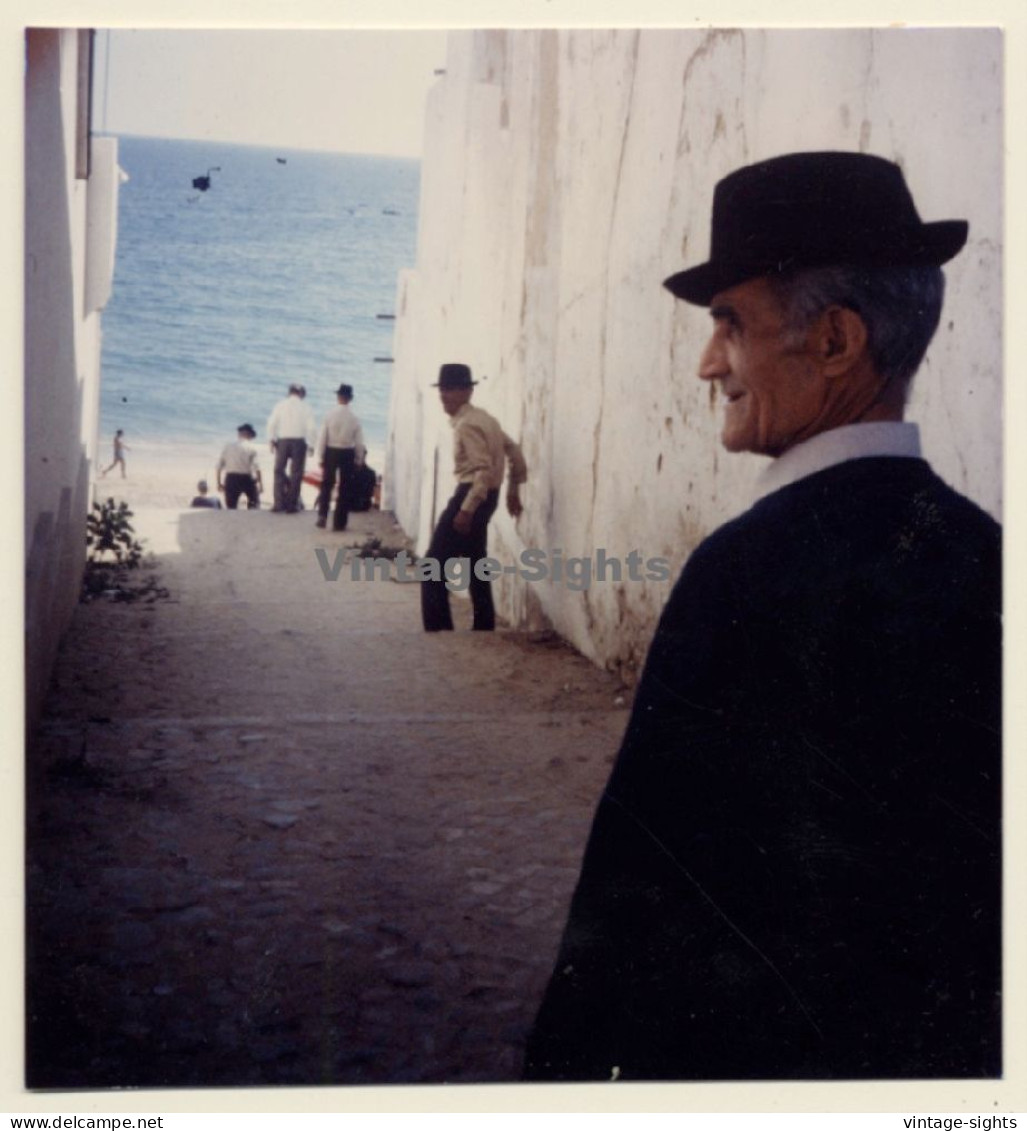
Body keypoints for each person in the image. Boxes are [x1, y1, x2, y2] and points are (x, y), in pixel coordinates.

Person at [522, 152, 1001, 1082]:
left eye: (729, 325)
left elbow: (640, 871)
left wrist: (560, 1079)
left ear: (834, 342)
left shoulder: (743, 570)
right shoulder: (985, 553)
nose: (708, 364)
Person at [421, 363, 527, 632]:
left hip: (472, 495)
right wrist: (513, 489)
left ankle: (438, 629)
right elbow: (513, 451)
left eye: (450, 390)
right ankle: (484, 625)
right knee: (474, 559)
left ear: (467, 392)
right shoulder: (486, 419)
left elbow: (482, 470)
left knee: (433, 564)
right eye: (442, 390)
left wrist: (466, 510)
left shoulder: (467, 425)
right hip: (488, 497)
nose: (444, 396)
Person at [314, 383, 366, 531]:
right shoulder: (354, 418)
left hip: (331, 451)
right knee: (344, 488)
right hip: (347, 452)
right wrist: (359, 458)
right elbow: (359, 442)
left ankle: (322, 516)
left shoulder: (330, 414)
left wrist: (320, 456)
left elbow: (322, 437)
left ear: (338, 397)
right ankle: (339, 522)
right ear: (350, 398)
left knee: (327, 485)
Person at [266, 383, 316, 513]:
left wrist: (271, 440)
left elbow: (272, 423)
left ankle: (278, 503)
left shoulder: (280, 405)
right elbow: (311, 428)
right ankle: (291, 505)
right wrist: (311, 445)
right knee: (296, 473)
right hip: (299, 441)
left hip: (282, 440)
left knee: (278, 471)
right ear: (301, 394)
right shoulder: (306, 407)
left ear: (289, 392)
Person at [216, 423, 263, 510]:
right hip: (246, 478)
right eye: (251, 436)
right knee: (254, 502)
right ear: (249, 434)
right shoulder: (252, 447)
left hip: (231, 478)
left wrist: (219, 483)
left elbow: (219, 467)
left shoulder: (228, 446)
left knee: (231, 506)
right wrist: (260, 484)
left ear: (239, 434)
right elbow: (257, 468)